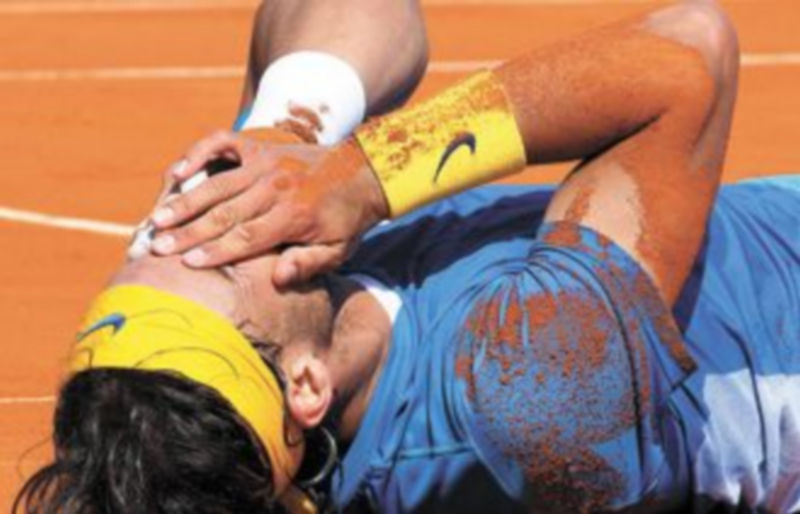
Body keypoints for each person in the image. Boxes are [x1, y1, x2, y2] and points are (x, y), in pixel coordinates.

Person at [16, 2, 800, 514]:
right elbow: (688, 58)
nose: (196, 224)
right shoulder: (524, 390)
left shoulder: (257, 323)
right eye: (214, 258)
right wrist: (366, 171)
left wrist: (294, 120)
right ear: (307, 384)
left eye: (157, 231)